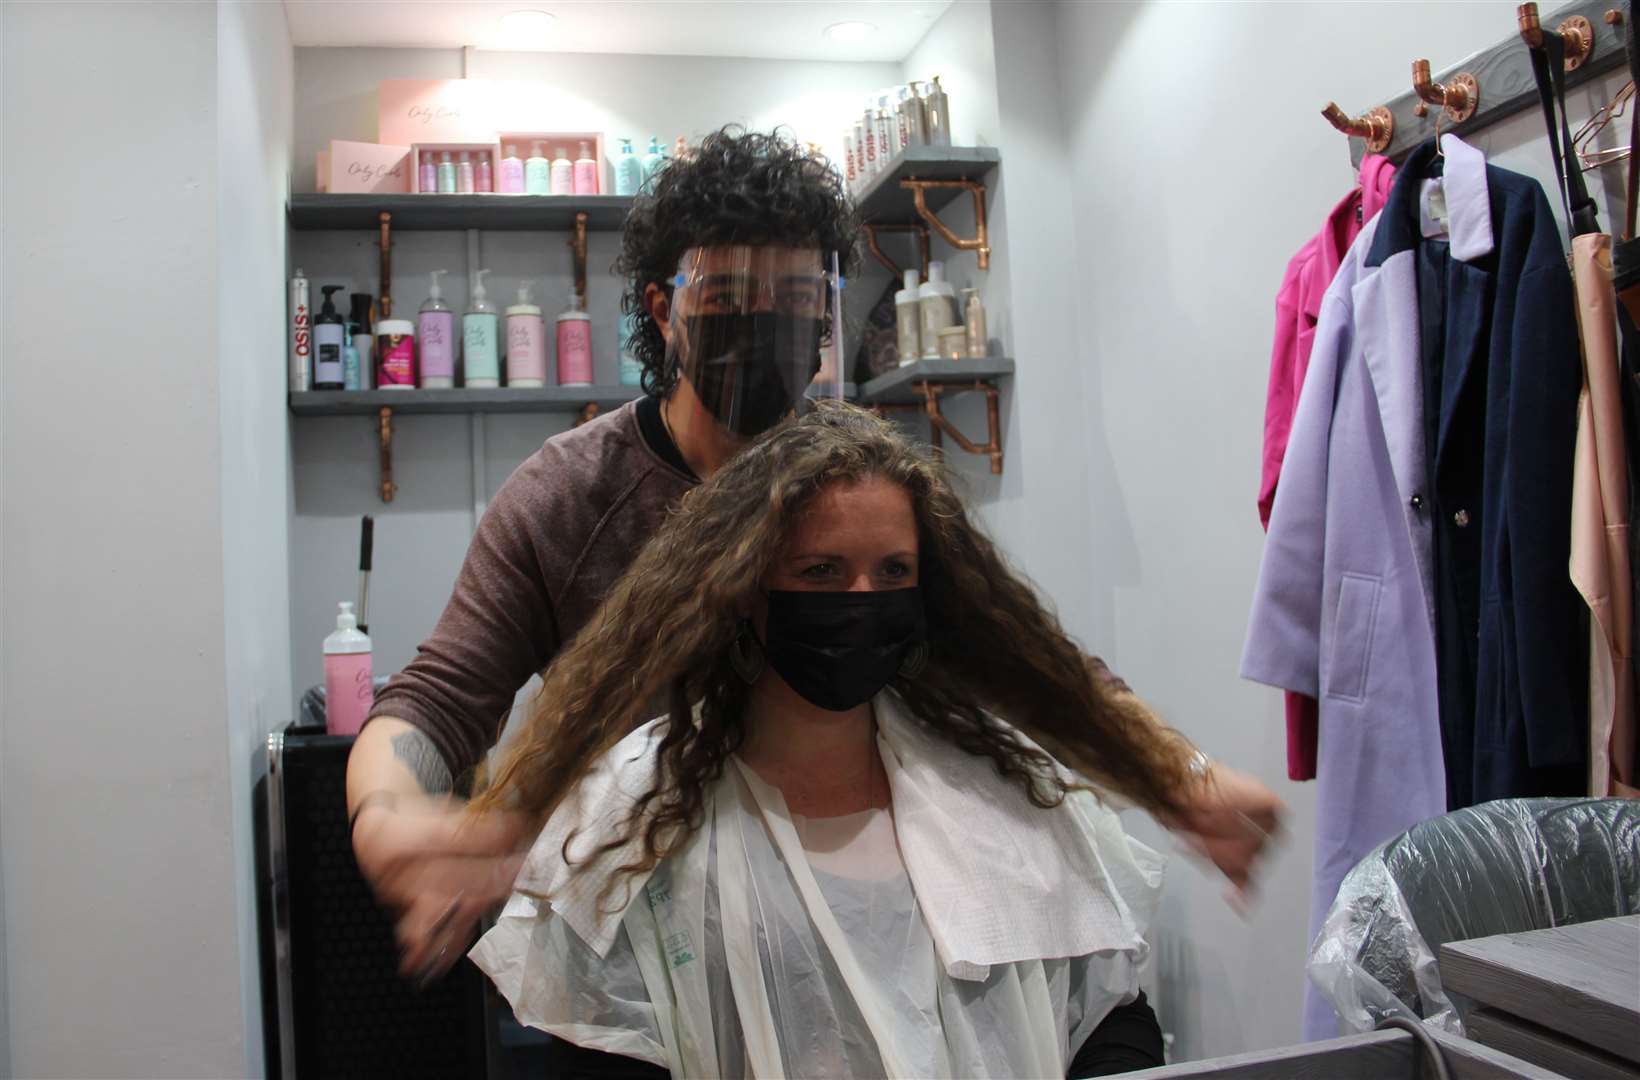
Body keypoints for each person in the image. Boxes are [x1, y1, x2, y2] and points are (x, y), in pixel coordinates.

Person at [347, 127, 1282, 986]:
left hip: (849, 935)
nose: (765, 325)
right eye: (728, 299)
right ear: (664, 308)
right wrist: (389, 814)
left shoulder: (863, 489)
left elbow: (1030, 661)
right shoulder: (568, 498)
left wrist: (1182, 779)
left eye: (797, 300)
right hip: (633, 950)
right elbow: (434, 700)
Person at [469, 402, 1224, 1077]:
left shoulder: (1004, 791)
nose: (862, 599)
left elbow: (1111, 1019)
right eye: (822, 571)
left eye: (893, 570)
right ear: (743, 586)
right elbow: (597, 1046)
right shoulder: (633, 820)